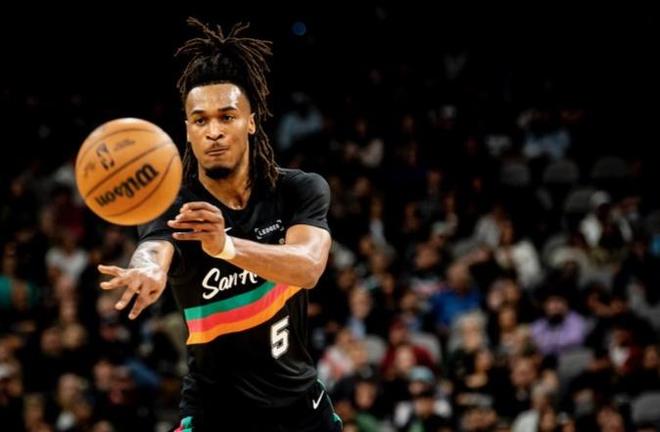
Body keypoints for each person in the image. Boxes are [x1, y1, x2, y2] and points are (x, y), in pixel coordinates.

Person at [97, 18, 341, 432]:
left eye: (227, 117)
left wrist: (225, 246)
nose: (213, 132)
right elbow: (154, 247)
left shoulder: (298, 189)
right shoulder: (174, 204)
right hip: (216, 413)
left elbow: (308, 267)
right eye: (200, 120)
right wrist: (147, 268)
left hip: (300, 409)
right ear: (187, 130)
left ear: (251, 121)